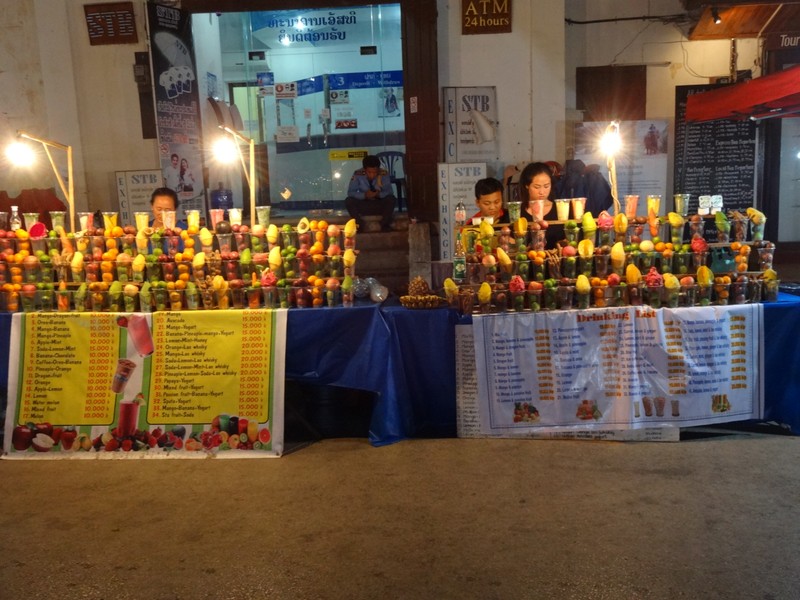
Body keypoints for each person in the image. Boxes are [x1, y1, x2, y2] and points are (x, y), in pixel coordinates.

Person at [345, 155, 396, 232]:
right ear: (364, 170)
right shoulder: (357, 174)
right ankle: (360, 225)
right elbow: (351, 192)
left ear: (378, 170)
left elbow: (389, 191)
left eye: (375, 172)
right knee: (349, 201)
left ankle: (384, 225)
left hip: (379, 204)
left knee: (391, 199)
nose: (372, 175)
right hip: (364, 204)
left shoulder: (384, 174)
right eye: (369, 172)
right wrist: (364, 195)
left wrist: (379, 194)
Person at [519, 161, 564, 248]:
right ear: (526, 185)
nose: (542, 192)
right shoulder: (518, 213)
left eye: (546, 186)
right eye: (537, 187)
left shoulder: (561, 210)